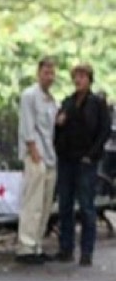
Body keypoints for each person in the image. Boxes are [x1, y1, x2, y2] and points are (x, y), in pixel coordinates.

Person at [53, 63, 111, 266]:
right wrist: (58, 125)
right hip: (67, 159)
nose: (78, 80)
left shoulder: (97, 103)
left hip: (86, 160)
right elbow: (58, 128)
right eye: (76, 77)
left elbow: (103, 131)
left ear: (89, 79)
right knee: (65, 205)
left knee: (86, 206)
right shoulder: (68, 102)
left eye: (82, 77)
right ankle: (66, 248)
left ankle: (87, 251)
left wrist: (92, 154)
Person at [15, 57, 58, 265]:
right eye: (46, 72)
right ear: (38, 73)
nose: (49, 77)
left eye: (52, 73)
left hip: (50, 155)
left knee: (45, 203)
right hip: (36, 155)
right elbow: (27, 125)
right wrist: (33, 150)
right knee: (32, 202)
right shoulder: (29, 96)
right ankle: (26, 246)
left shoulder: (51, 100)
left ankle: (37, 243)